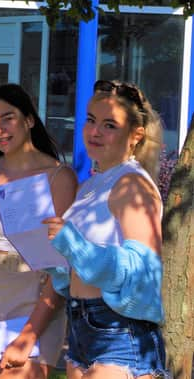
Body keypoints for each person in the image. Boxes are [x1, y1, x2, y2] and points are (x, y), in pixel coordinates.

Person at [44, 80, 168, 379]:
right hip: (81, 327)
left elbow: (143, 269)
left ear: (135, 135)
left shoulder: (132, 184)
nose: (95, 131)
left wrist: (74, 246)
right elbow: (79, 263)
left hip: (119, 330)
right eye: (90, 120)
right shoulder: (91, 184)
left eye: (109, 125)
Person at [0, 84, 77, 378]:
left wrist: (30, 332)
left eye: (7, 117)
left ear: (29, 120)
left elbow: (61, 266)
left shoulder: (59, 177)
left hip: (35, 299)